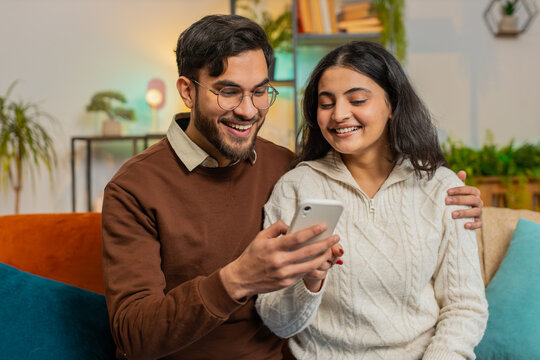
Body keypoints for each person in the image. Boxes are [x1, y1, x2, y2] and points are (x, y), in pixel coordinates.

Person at [101, 15, 484, 360]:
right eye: (228, 91)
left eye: (260, 91)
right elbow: (135, 336)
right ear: (188, 91)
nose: (249, 110)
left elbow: (458, 298)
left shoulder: (282, 166)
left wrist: (455, 197)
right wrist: (238, 278)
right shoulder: (134, 188)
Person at [255, 41, 489, 360]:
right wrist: (309, 282)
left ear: (391, 104)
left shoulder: (442, 188)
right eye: (326, 103)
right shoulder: (296, 187)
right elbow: (277, 323)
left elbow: (465, 307)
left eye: (358, 100)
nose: (339, 114)